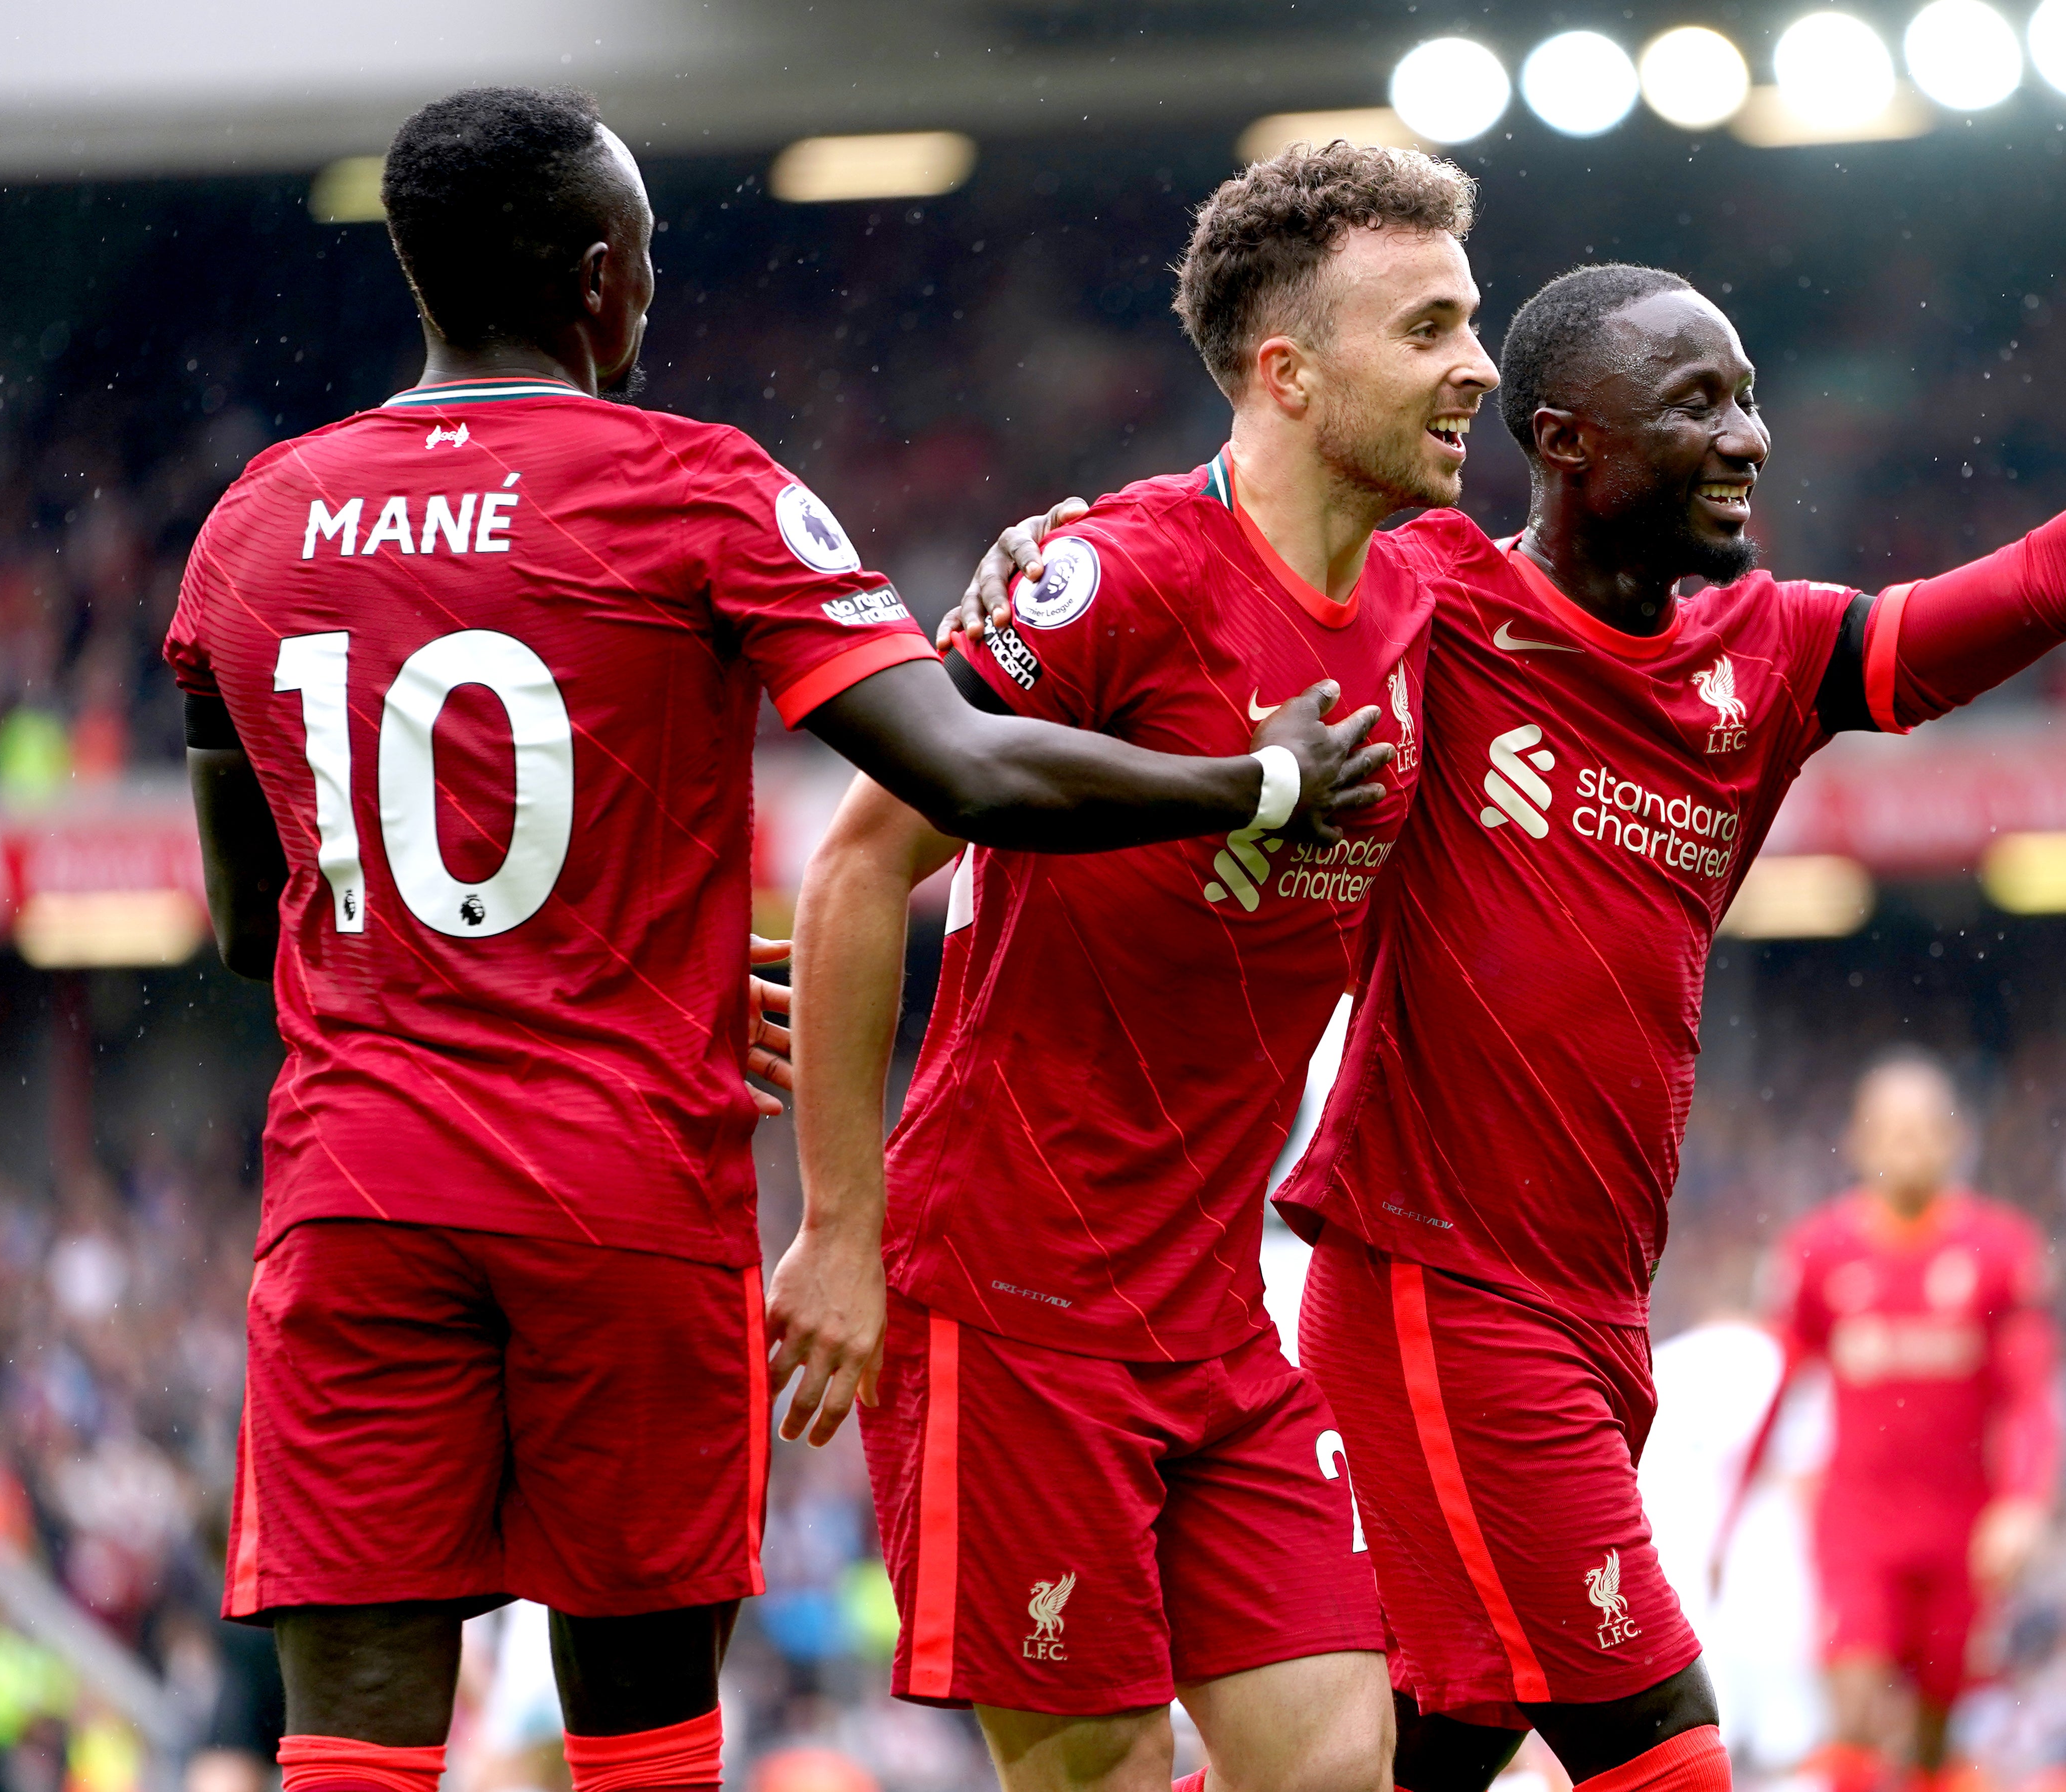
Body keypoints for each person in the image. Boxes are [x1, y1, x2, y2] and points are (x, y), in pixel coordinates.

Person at [954, 227, 2066, 1792]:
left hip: (1592, 1312)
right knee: (1666, 1750)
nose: (1749, 438)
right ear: (1566, 441)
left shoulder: (1769, 651)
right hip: (1439, 1288)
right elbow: (1234, 538)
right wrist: (1057, 558)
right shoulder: (1428, 597)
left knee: (1419, 1757)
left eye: (1753, 398)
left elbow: (2032, 592)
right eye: (1701, 404)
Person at [163, 86, 1383, 1792]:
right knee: (641, 1739)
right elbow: (958, 764)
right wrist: (1252, 782)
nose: (649, 299)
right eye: (647, 261)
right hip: (617, 1196)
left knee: (352, 1733)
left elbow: (248, 920)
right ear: (598, 275)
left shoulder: (255, 521)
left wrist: (463, 979)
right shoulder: (690, 488)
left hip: (356, 1189)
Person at [778, 143, 1517, 1792]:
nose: (1478, 364)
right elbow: (853, 867)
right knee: (1096, 1768)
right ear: (1287, 370)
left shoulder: (1428, 588)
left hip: (1211, 1319)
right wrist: (837, 1227)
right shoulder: (1110, 579)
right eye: (1430, 328)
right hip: (1006, 1301)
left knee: (1342, 1758)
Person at [1720, 1058, 2059, 1792]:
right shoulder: (1819, 1255)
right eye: (1891, 1132)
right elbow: (1778, 1391)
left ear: (1953, 1140)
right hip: (1858, 1526)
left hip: (1960, 1533)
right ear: (1861, 1143)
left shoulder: (2000, 1254)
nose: (1907, 1148)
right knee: (1858, 1714)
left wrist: (2025, 1504)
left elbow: (2031, 1397)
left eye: (1922, 1131)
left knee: (1933, 1747)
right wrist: (1729, 1522)